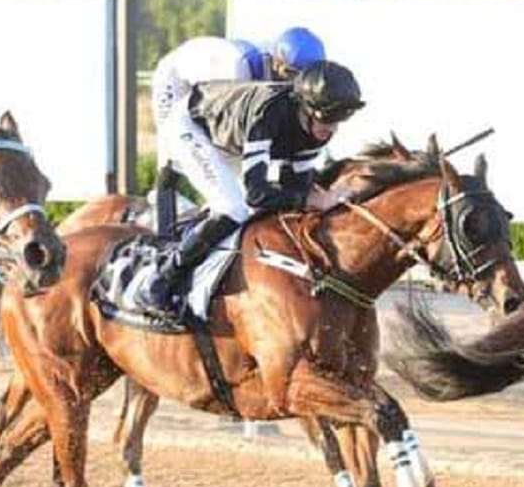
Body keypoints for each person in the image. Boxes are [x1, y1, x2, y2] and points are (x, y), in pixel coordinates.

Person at [134, 31, 363, 315]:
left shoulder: (315, 124)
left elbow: (297, 184)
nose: (333, 128)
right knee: (232, 205)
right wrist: (312, 200)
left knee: (241, 204)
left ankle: (202, 242)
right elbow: (258, 195)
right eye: (328, 118)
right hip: (187, 114)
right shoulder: (247, 78)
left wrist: (320, 196)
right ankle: (161, 279)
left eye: (341, 119)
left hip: (231, 122)